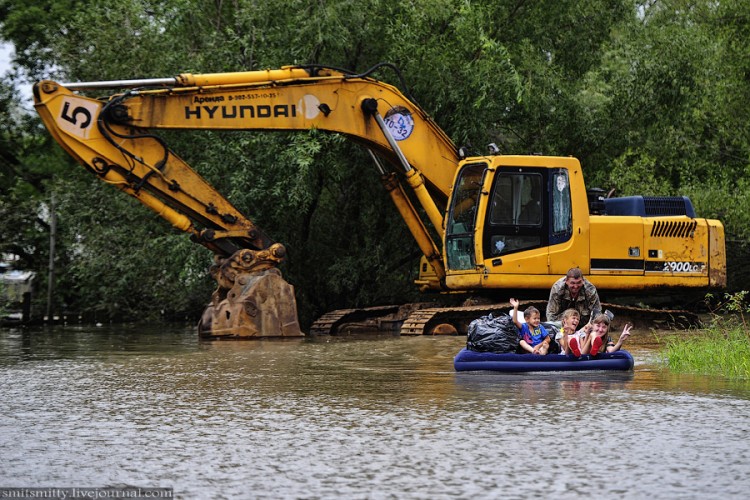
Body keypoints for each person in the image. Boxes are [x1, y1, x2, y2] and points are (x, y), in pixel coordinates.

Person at [566, 313, 633, 357]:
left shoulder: (607, 339)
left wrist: (620, 341)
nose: (600, 330)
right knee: (593, 334)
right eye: (598, 326)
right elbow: (582, 354)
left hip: (589, 358)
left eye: (604, 327)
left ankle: (595, 348)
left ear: (607, 329)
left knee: (593, 334)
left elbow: (611, 351)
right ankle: (594, 346)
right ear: (592, 325)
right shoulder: (586, 333)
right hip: (581, 355)